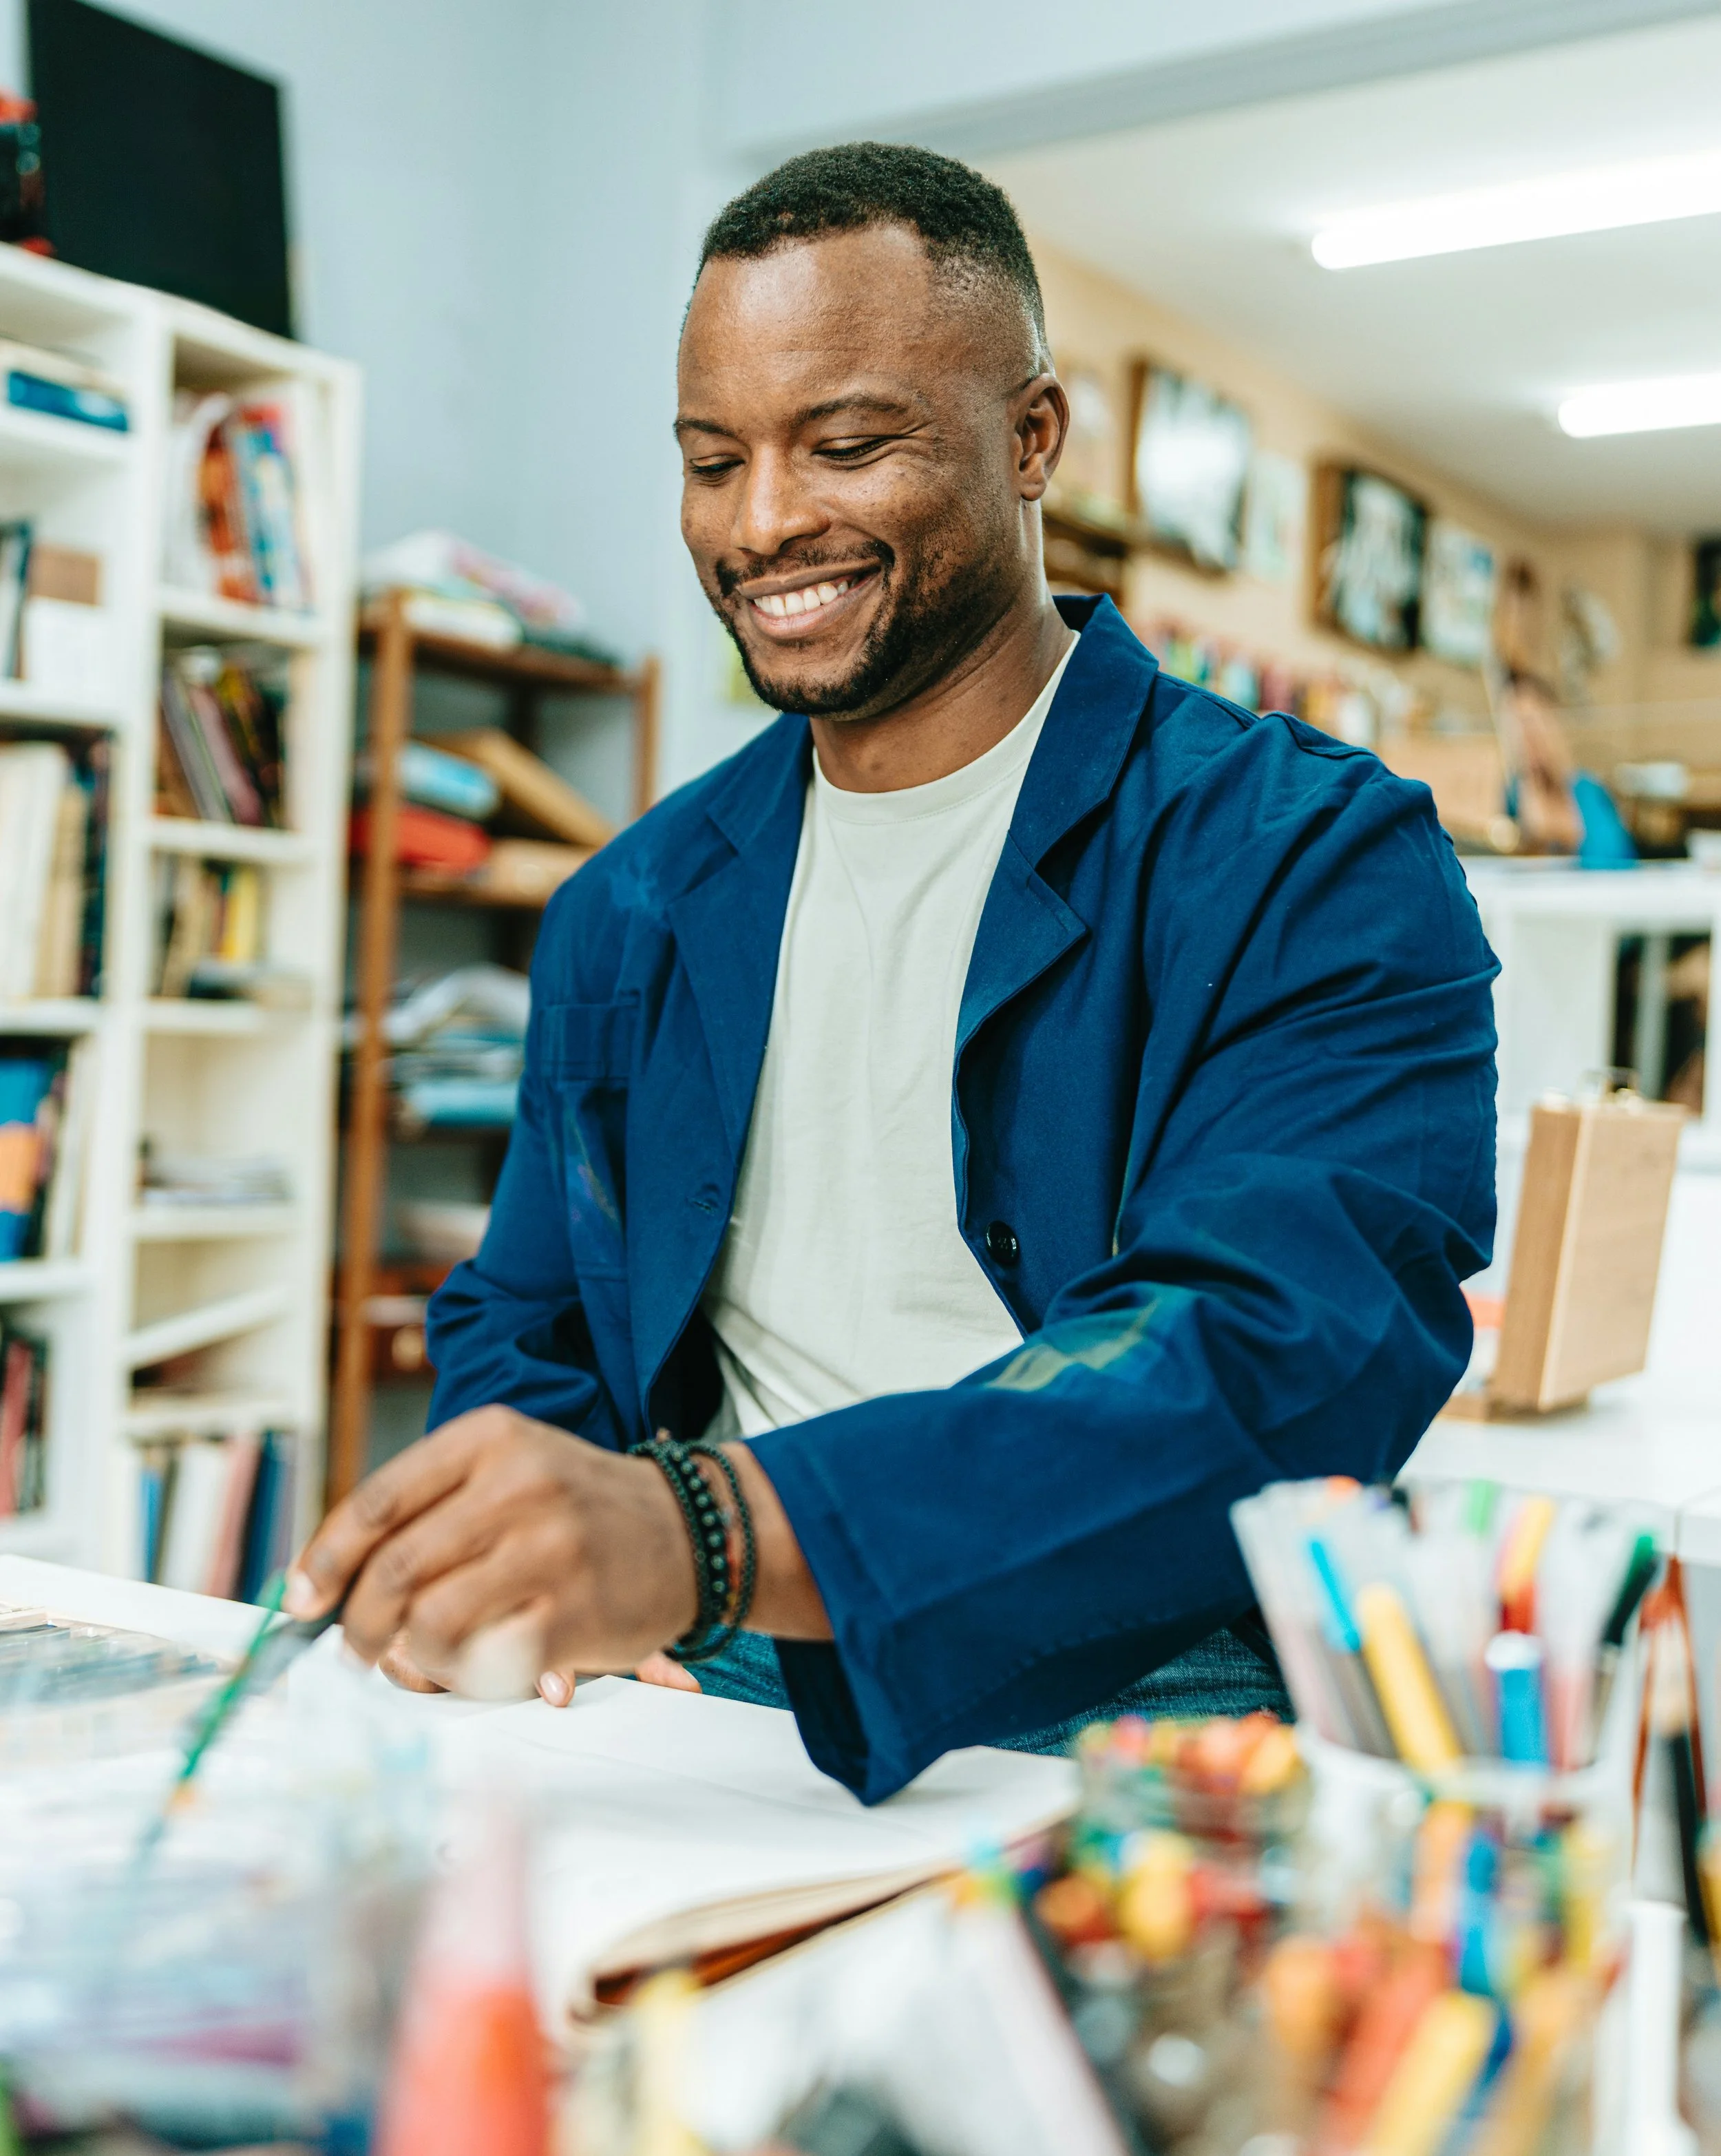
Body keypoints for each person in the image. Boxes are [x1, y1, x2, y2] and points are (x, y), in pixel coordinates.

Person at [289, 143, 1498, 1804]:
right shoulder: (626, 904)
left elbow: (1276, 1354)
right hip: (699, 1670)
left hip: (1151, 1684)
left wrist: (709, 1530)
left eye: (844, 443)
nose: (764, 520)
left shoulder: (1313, 856)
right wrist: (561, 1538)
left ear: (1030, 437)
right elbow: (529, 1304)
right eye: (713, 460)